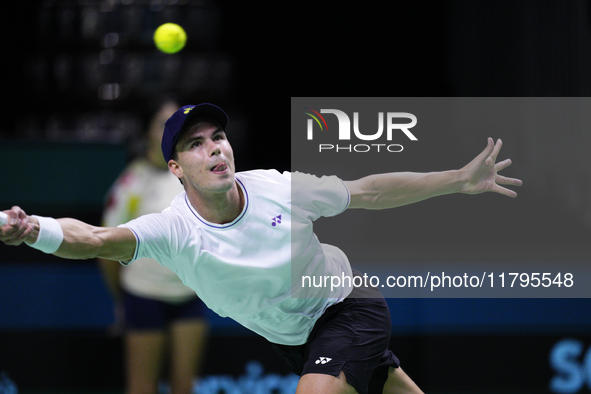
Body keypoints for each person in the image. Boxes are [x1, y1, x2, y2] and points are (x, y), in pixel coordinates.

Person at [0, 103, 522, 394]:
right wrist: (34, 229)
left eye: (219, 136)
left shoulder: (279, 187)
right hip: (291, 334)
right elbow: (94, 239)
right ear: (176, 168)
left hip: (344, 307)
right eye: (196, 143)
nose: (215, 148)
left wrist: (455, 179)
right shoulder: (172, 228)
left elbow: (369, 190)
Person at [98, 100, 209, 394]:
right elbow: (105, 247)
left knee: (184, 387)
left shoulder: (195, 175)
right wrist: (121, 300)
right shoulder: (131, 182)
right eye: (162, 121)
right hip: (143, 295)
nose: (170, 127)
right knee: (142, 388)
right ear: (148, 131)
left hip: (189, 295)